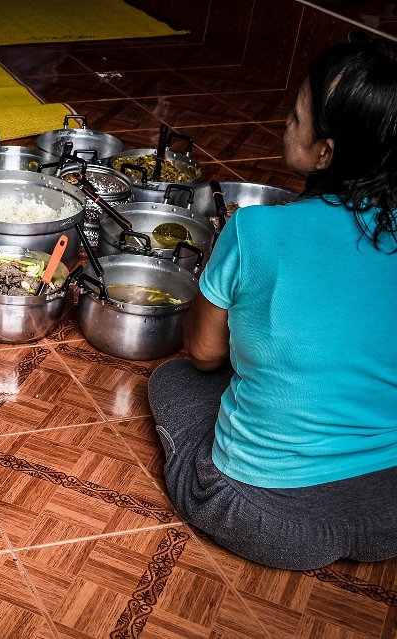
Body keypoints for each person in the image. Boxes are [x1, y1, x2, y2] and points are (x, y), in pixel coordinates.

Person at [147, 33, 397, 571]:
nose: (285, 121)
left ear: (325, 152)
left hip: (267, 517)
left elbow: (205, 355)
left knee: (173, 380)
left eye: (295, 115)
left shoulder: (257, 229)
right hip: (390, 509)